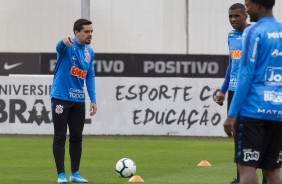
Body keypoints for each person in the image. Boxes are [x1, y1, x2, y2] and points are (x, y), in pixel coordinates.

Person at [223, 0, 282, 183]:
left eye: (248, 5)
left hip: (253, 112)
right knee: (272, 171)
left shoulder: (253, 32)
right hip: (277, 111)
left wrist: (232, 114)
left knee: (247, 170)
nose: (247, 9)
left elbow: (246, 76)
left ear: (257, 5)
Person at [50, 19, 97, 183]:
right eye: (86, 31)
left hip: (78, 100)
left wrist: (93, 99)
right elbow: (58, 47)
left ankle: (75, 173)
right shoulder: (67, 46)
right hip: (61, 98)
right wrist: (62, 42)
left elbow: (89, 76)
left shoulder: (89, 52)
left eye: (91, 31)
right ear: (76, 32)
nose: (90, 34)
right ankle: (61, 175)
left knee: (77, 137)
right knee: (60, 136)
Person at [214, 3, 249, 184]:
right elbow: (231, 66)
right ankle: (240, 178)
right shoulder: (231, 36)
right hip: (234, 92)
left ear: (246, 15)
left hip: (251, 93)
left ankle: (267, 177)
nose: (233, 20)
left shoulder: (254, 34)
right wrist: (222, 90)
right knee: (237, 136)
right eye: (230, 16)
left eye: (236, 16)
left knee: (255, 135)